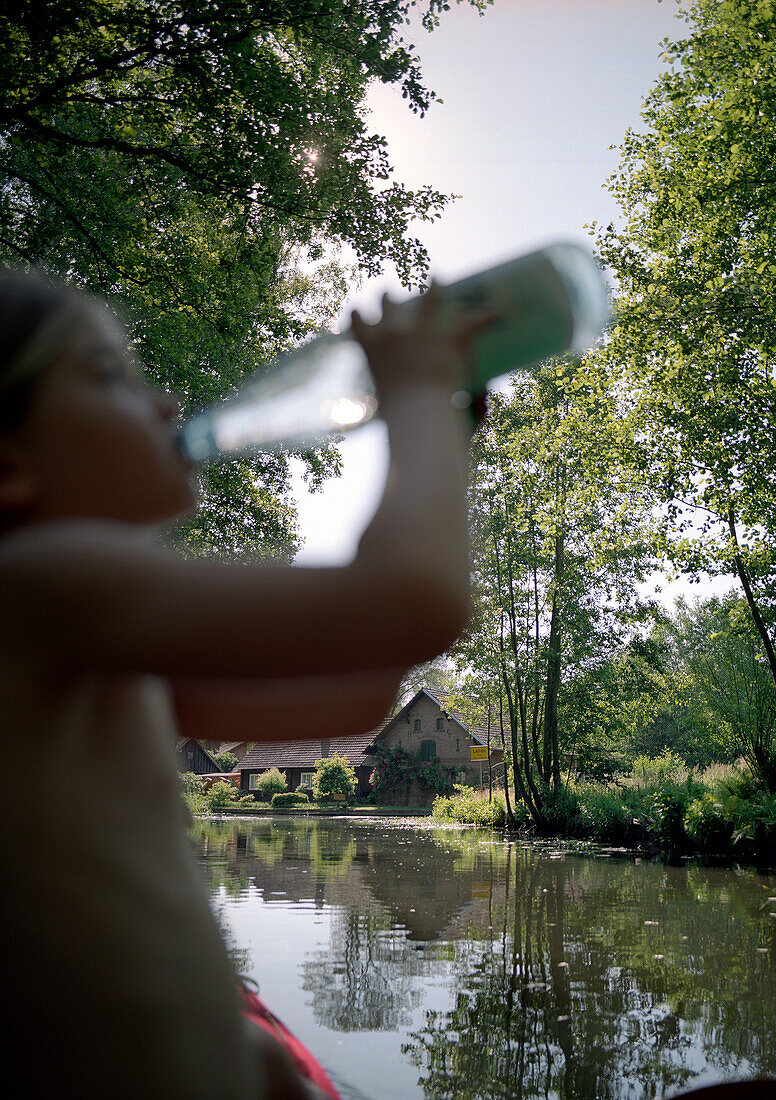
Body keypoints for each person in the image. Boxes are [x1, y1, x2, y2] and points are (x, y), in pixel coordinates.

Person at [0, 271, 482, 1097]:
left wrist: (436, 440)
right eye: (111, 374)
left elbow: (357, 689)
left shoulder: (90, 637)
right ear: (8, 464)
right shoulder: (37, 583)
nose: (161, 404)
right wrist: (415, 396)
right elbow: (413, 603)